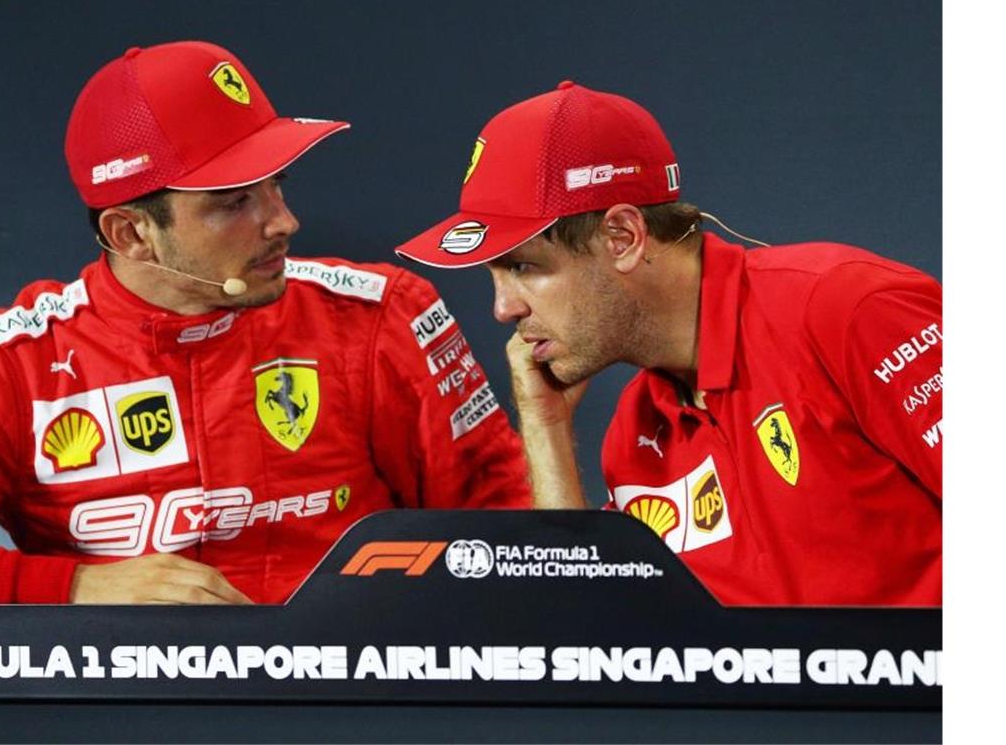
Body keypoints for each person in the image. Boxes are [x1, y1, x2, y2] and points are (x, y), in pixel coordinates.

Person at [0, 41, 530, 605]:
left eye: (276, 185)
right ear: (131, 234)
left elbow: (513, 540)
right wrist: (74, 586)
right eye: (234, 200)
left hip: (359, 703)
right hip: (128, 713)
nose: (283, 222)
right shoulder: (5, 366)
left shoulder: (381, 314)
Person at [395, 80, 941, 606]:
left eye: (523, 267)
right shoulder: (637, 431)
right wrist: (547, 431)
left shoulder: (845, 308)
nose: (503, 309)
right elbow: (590, 654)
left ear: (623, 238)